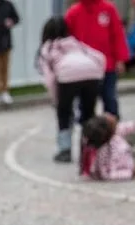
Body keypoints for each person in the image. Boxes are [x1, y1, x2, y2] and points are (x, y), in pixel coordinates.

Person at [36, 16, 106, 162]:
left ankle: (65, 150)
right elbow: (99, 57)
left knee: (64, 114)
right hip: (91, 72)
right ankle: (88, 148)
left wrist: (57, 100)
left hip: (67, 75)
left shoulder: (47, 48)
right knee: (88, 113)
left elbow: (49, 79)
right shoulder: (75, 42)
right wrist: (99, 74)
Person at [65, 0, 130, 117]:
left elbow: (117, 34)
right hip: (84, 69)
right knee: (86, 105)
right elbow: (67, 40)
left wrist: (120, 59)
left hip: (107, 66)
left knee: (110, 100)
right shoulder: (73, 13)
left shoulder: (108, 9)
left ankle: (112, 131)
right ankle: (87, 133)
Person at [79, 112, 135, 180]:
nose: (112, 116)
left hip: (127, 153)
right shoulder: (107, 153)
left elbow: (123, 128)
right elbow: (108, 174)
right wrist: (131, 172)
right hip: (131, 162)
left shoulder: (111, 135)